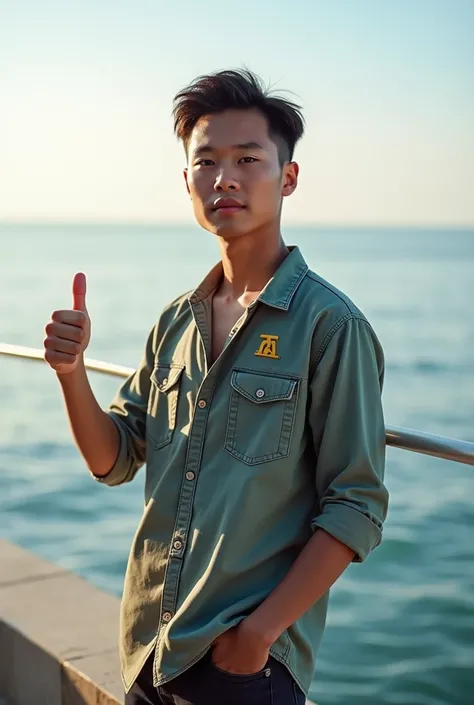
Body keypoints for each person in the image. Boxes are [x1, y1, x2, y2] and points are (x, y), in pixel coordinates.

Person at [43, 69, 389, 705]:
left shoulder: (330, 325)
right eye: (206, 162)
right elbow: (113, 458)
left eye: (247, 159)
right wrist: (72, 374)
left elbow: (356, 504)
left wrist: (256, 637)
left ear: (287, 178)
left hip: (241, 664)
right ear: (187, 181)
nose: (224, 178)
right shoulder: (176, 320)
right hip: (148, 645)